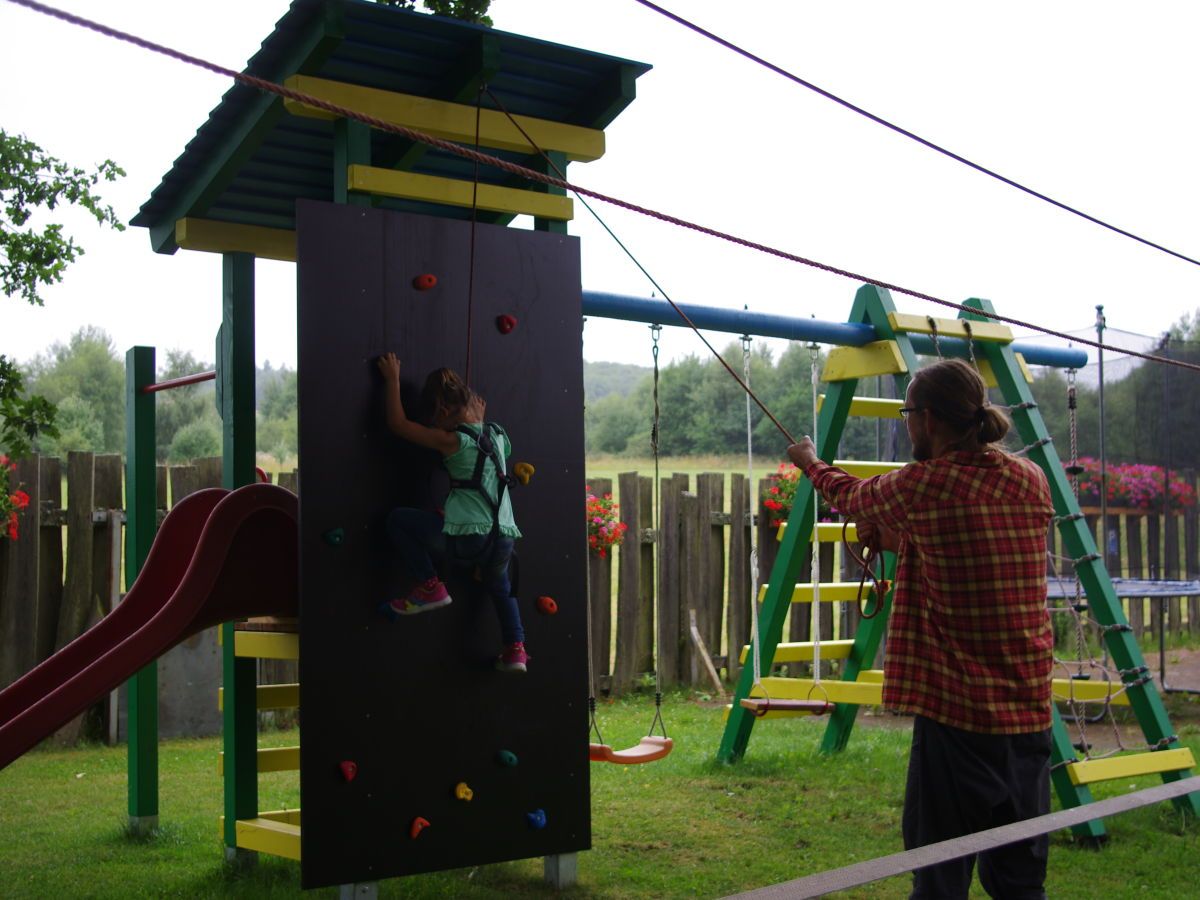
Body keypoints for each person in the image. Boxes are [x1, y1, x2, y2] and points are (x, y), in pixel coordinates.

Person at [787, 358, 1054, 900]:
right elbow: (972, 546)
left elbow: (851, 496)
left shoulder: (926, 482)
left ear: (928, 419)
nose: (907, 423)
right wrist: (900, 541)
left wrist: (809, 461)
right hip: (1028, 709)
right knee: (1021, 882)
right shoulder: (1029, 477)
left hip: (959, 714)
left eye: (908, 412)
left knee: (939, 873)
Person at [376, 352, 528, 674]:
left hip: (471, 539)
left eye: (436, 419)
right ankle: (515, 649)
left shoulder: (451, 440)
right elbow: (483, 464)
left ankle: (430, 585)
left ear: (443, 412)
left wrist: (392, 380)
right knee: (500, 587)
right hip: (503, 539)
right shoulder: (498, 434)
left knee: (399, 520)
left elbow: (398, 424)